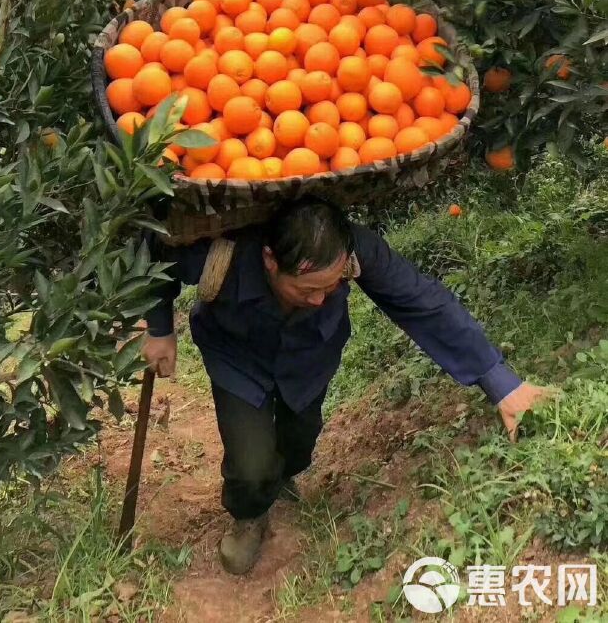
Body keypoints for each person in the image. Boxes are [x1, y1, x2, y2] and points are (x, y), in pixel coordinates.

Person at [142, 197, 548, 576]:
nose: (320, 299)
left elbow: (424, 301)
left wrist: (501, 384)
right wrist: (159, 328)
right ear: (270, 260)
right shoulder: (223, 253)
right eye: (306, 289)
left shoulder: (355, 249)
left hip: (308, 357)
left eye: (331, 287)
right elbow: (156, 256)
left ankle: (283, 478)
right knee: (251, 464)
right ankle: (249, 514)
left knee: (299, 439)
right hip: (237, 358)